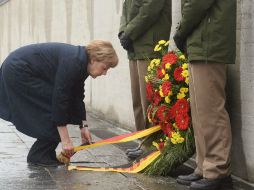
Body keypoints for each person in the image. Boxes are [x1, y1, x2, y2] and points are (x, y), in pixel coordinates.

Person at [0, 40, 118, 166]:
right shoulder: (74, 61)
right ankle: (39, 155)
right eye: (104, 68)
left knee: (63, 107)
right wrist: (65, 140)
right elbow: (60, 98)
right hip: (18, 70)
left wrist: (84, 126)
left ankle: (42, 154)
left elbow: (77, 96)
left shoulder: (81, 62)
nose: (104, 73)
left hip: (19, 68)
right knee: (57, 106)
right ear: (94, 59)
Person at [173, 0, 236, 189]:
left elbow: (196, 3)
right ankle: (205, 167)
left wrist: (181, 31)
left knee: (211, 112)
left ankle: (218, 171)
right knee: (201, 113)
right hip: (201, 42)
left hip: (209, 42)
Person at [118, 0, 172, 158]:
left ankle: (153, 145)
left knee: (149, 101)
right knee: (138, 100)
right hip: (134, 46)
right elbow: (126, 8)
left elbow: (151, 8)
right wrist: (122, 32)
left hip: (150, 45)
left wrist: (129, 32)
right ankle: (143, 141)